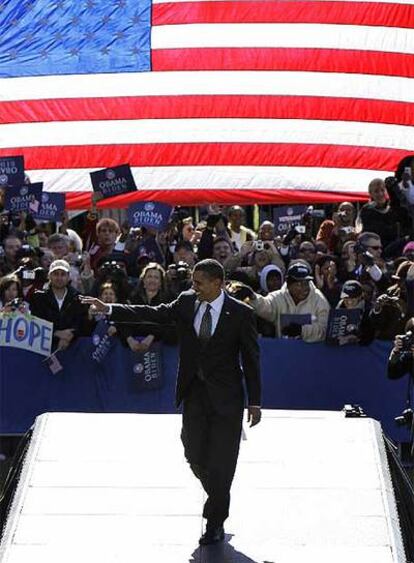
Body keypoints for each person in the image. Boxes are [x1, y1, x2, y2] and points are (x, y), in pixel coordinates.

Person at [80, 258, 261, 545]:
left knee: (223, 462)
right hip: (195, 392)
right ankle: (216, 495)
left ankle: (215, 521)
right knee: (193, 452)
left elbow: (251, 359)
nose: (194, 287)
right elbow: (153, 313)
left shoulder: (240, 313)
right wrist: (111, 309)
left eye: (199, 282)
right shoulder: (187, 302)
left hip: (227, 398)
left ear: (217, 283)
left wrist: (255, 401)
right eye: (192, 281)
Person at [248, 262, 330, 342]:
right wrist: (252, 297)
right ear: (289, 284)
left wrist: (302, 330)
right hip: (284, 350)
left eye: (306, 283)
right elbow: (265, 306)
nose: (304, 288)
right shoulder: (278, 297)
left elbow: (324, 330)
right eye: (299, 284)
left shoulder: (319, 299)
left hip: (312, 351)